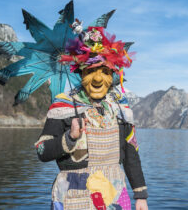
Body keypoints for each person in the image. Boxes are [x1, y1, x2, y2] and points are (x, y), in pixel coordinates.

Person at [34, 19, 148, 210]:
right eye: (91, 71)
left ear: (112, 76)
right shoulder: (63, 106)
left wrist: (140, 195)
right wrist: (70, 138)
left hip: (114, 196)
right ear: (80, 73)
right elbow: (42, 151)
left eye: (104, 71)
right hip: (72, 197)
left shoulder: (121, 109)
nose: (97, 79)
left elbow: (131, 154)